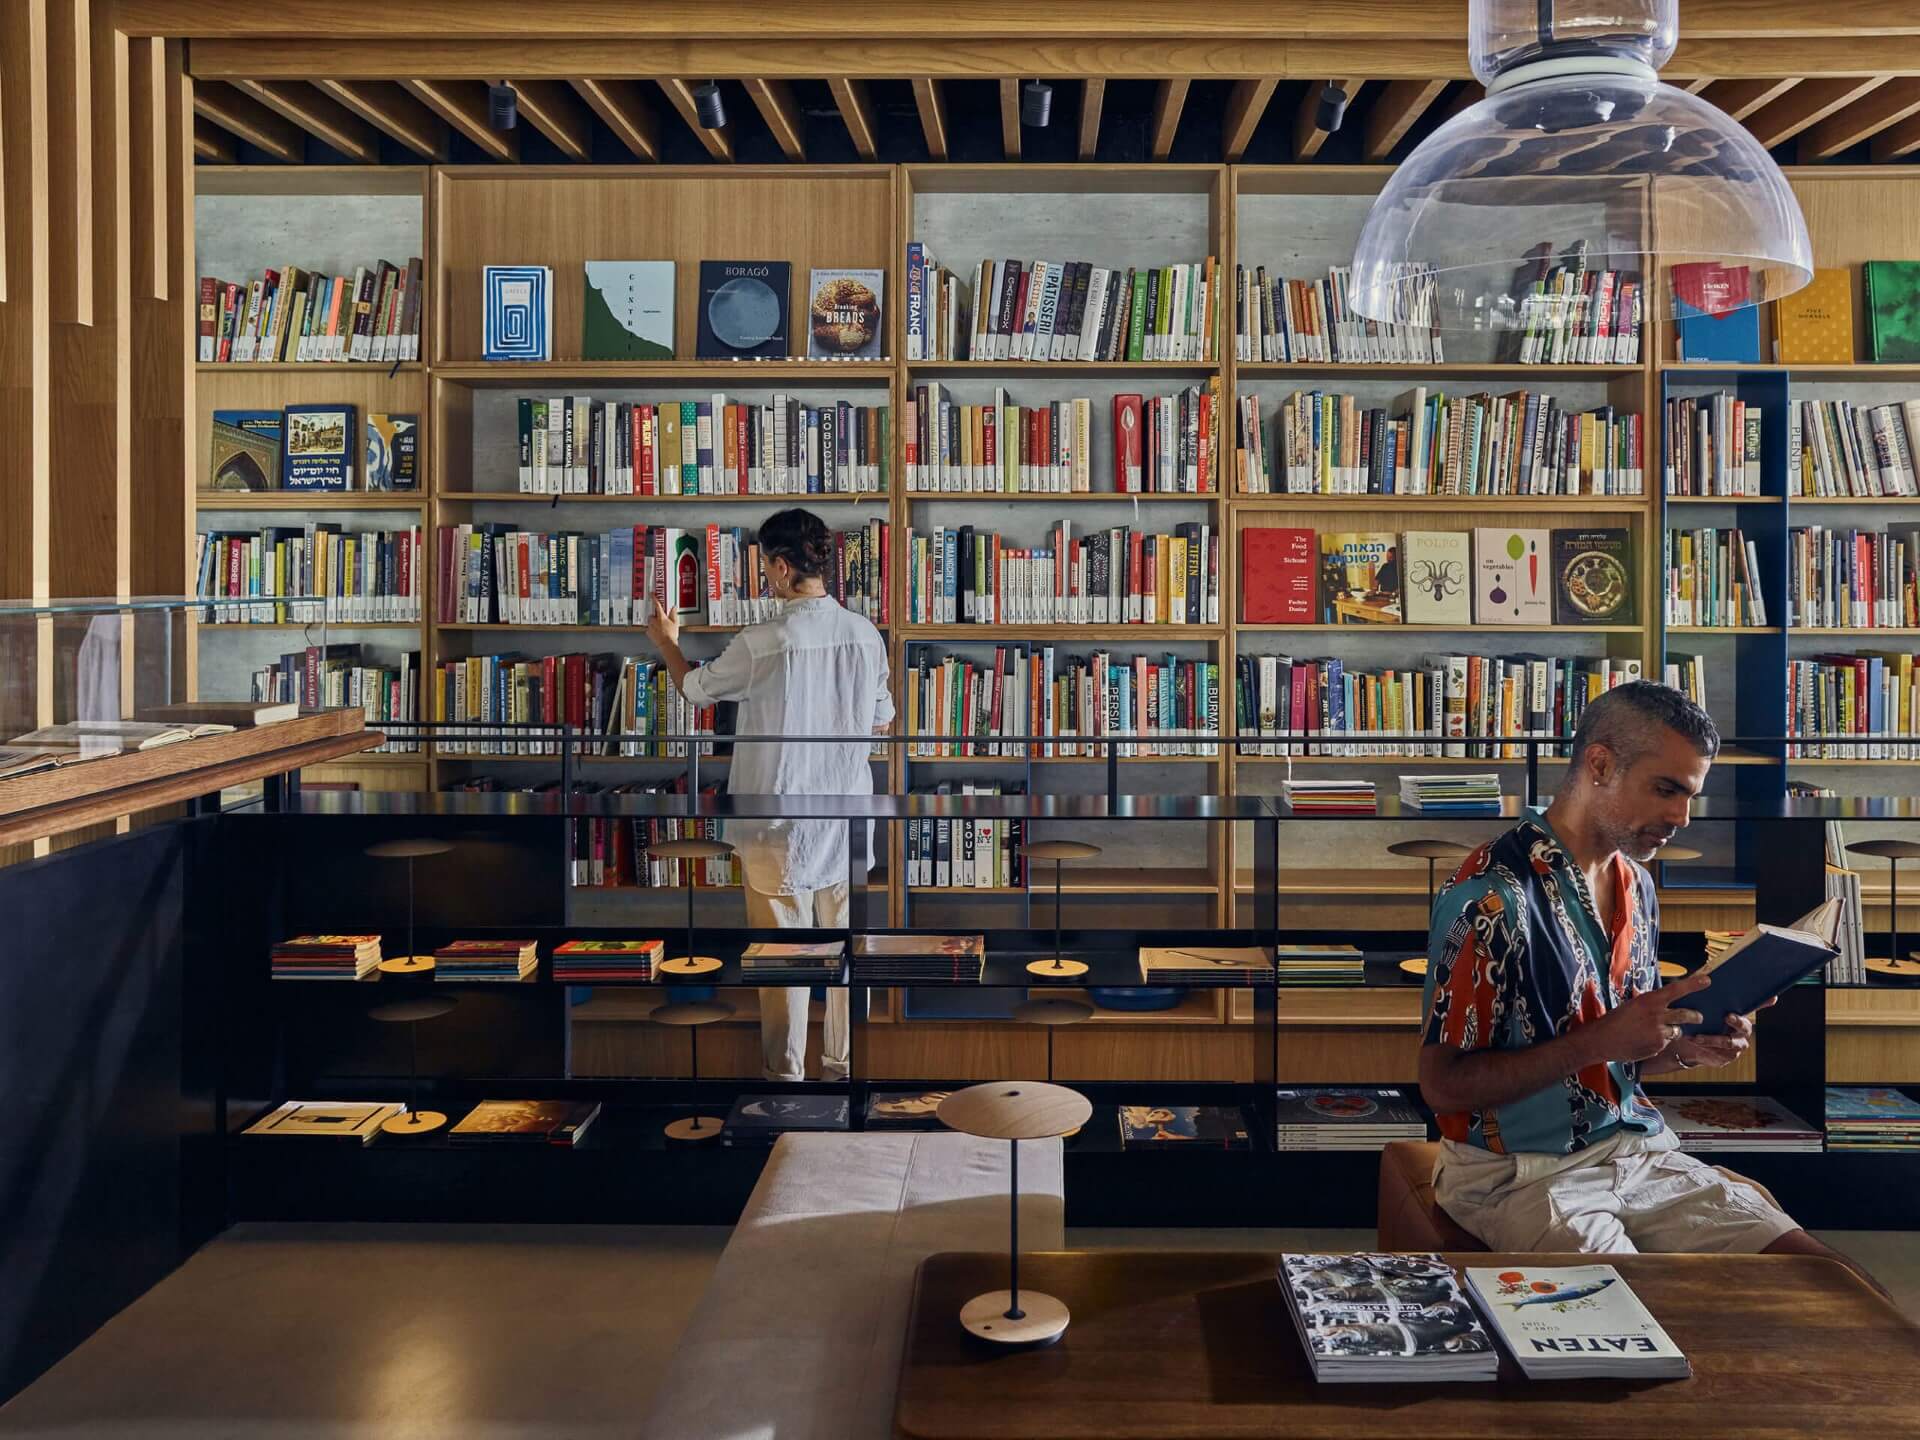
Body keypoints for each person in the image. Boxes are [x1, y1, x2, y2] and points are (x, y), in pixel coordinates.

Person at [1418, 680, 1883, 1290]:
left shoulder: (1637, 886)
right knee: (1654, 1309)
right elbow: (1443, 1086)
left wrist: (1684, 1048)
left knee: (1833, 1278)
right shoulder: (1490, 895)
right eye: (1666, 790)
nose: (1680, 818)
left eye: (1690, 796)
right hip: (1518, 1175)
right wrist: (1601, 1041)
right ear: (1601, 764)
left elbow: (1621, 1061)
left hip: (1640, 1154)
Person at [645, 507, 892, 1083]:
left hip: (777, 823)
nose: (763, 577)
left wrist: (667, 642)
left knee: (784, 960)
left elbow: (697, 691)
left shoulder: (762, 641)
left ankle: (786, 1081)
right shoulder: (864, 634)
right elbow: (883, 718)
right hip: (848, 820)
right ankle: (844, 1070)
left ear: (782, 568)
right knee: (847, 953)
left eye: (764, 567)